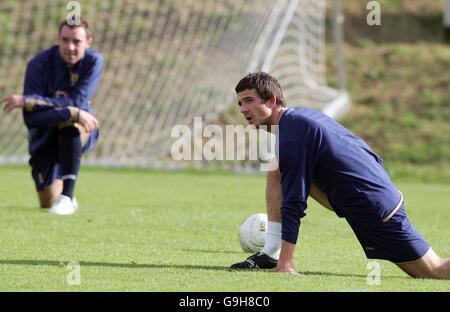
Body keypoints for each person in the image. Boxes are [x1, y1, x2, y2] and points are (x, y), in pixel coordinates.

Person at [230, 72, 450, 279]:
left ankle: (278, 258)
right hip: (371, 197)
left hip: (374, 208)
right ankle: (270, 253)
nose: (243, 109)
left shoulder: (292, 133)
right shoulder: (298, 119)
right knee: (276, 166)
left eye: (249, 100)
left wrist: (286, 264)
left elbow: (294, 201)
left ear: (271, 100)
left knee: (435, 270)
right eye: (241, 103)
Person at [1, 18, 103, 215]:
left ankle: (67, 196)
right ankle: (62, 192)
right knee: (48, 202)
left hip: (78, 128)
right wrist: (71, 111)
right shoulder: (38, 65)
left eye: (77, 42)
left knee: (74, 125)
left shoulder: (94, 61)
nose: (70, 47)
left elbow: (76, 101)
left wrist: (29, 101)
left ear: (88, 43)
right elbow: (31, 119)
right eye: (65, 40)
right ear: (58, 39)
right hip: (44, 135)